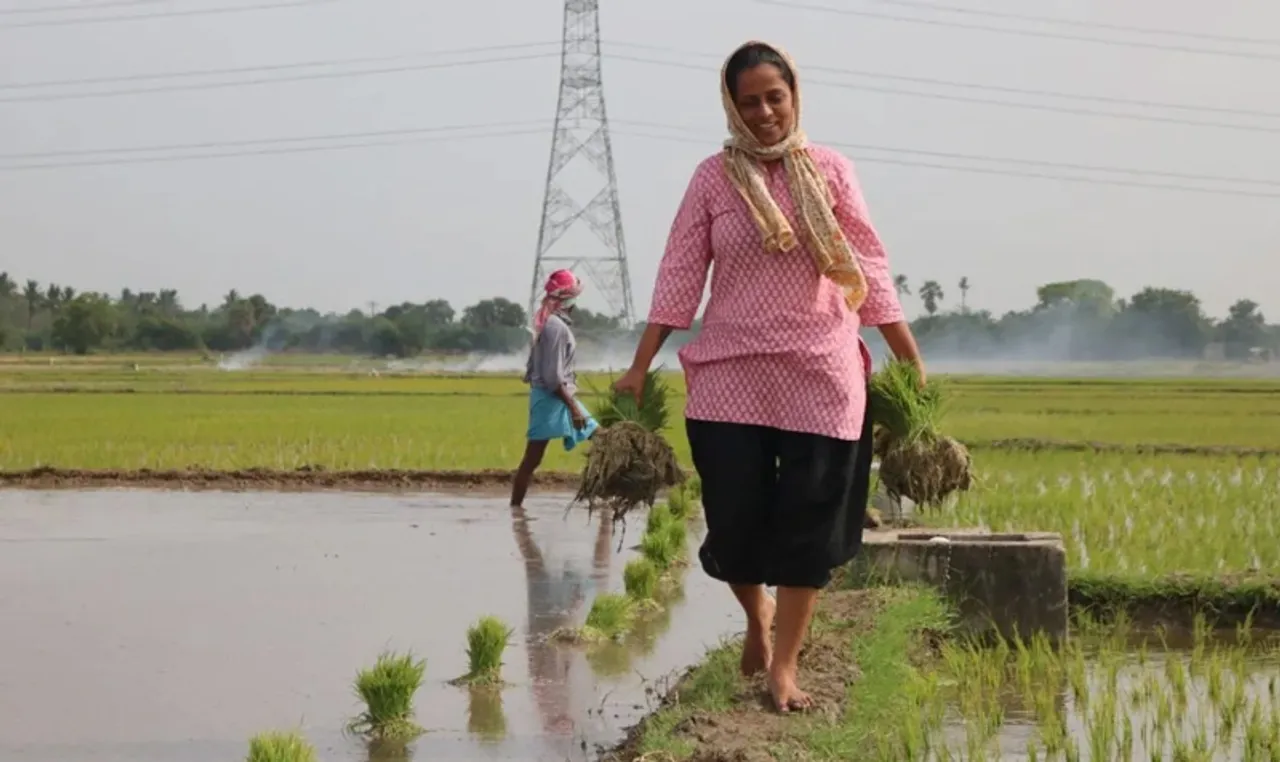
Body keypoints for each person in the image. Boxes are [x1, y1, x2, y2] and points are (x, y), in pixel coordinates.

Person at [612, 40, 925, 713]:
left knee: (808, 520)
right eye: (748, 101)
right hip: (729, 372)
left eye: (773, 97)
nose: (763, 113)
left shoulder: (832, 171)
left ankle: (785, 664)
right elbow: (679, 272)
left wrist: (907, 353)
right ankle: (755, 617)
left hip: (821, 368)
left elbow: (867, 264)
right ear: (731, 105)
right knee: (735, 517)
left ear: (794, 97)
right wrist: (640, 366)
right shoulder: (711, 179)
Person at [511, 269, 598, 509]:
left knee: (600, 440)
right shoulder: (556, 327)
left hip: (557, 395)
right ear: (568, 301)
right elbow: (552, 377)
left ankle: (603, 495)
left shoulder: (550, 324)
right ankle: (515, 511)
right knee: (532, 459)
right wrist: (574, 409)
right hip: (553, 397)